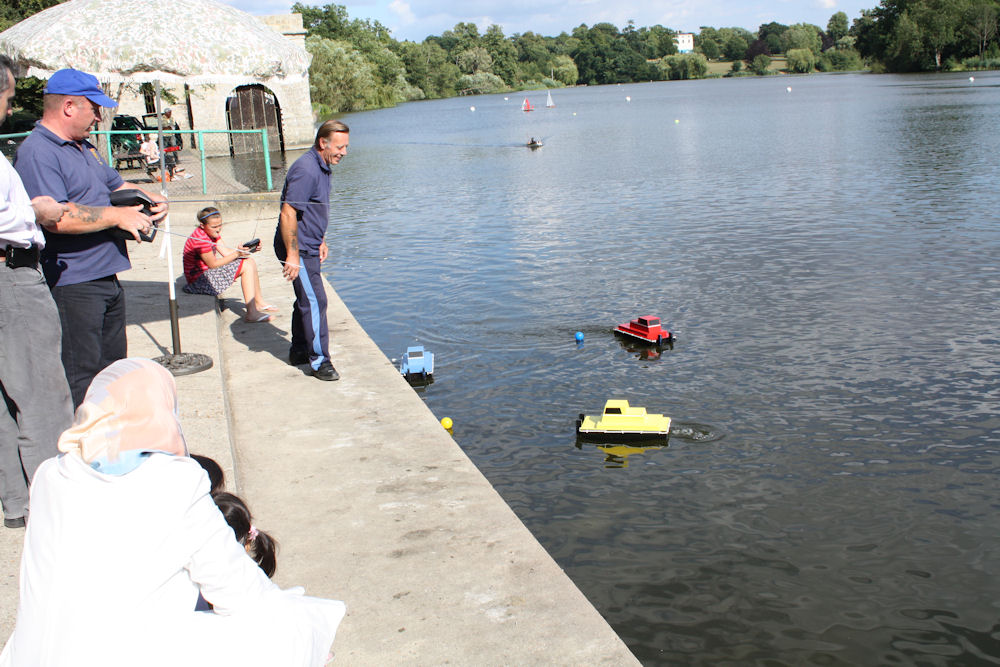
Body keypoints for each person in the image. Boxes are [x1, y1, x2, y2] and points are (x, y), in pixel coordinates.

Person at [0, 358, 346, 667]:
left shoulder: (50, 474)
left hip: (31, 656)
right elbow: (241, 596)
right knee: (291, 624)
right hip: (117, 656)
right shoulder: (175, 481)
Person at [14, 68, 168, 408]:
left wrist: (149, 199)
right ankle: (83, 451)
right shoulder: (38, 152)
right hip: (73, 283)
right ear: (69, 106)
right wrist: (117, 215)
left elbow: (116, 186)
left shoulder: (84, 147)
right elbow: (57, 218)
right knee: (82, 377)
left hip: (106, 277)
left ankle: (110, 443)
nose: (99, 116)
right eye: (94, 108)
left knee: (113, 372)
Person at [0, 55, 74, 529]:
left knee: (9, 398)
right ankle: (58, 506)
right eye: (7, 98)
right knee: (43, 394)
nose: (8, 110)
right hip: (12, 274)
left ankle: (18, 500)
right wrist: (37, 213)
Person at [274, 120, 349, 381]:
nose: (344, 152)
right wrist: (292, 255)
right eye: (340, 147)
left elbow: (315, 209)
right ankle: (319, 361)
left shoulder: (323, 166)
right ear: (323, 143)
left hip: (310, 244)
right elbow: (288, 212)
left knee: (306, 299)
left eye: (346, 147)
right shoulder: (306, 169)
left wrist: (322, 239)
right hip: (298, 247)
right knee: (316, 301)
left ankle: (299, 350)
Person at [183, 206, 275, 323]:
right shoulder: (200, 239)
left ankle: (259, 302)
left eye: (220, 225)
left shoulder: (211, 233)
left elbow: (226, 253)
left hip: (207, 275)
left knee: (249, 261)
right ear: (202, 225)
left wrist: (248, 250)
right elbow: (213, 264)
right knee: (245, 266)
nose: (218, 229)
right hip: (199, 282)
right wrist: (237, 253)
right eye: (214, 227)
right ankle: (251, 313)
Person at [159, 107, 191, 180]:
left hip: (172, 134)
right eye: (168, 112)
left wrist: (170, 127)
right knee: (165, 148)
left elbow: (173, 125)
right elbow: (163, 126)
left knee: (174, 147)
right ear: (166, 113)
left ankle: (176, 159)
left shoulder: (172, 118)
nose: (170, 114)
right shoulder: (161, 119)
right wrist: (167, 127)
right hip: (165, 135)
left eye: (170, 112)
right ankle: (166, 160)